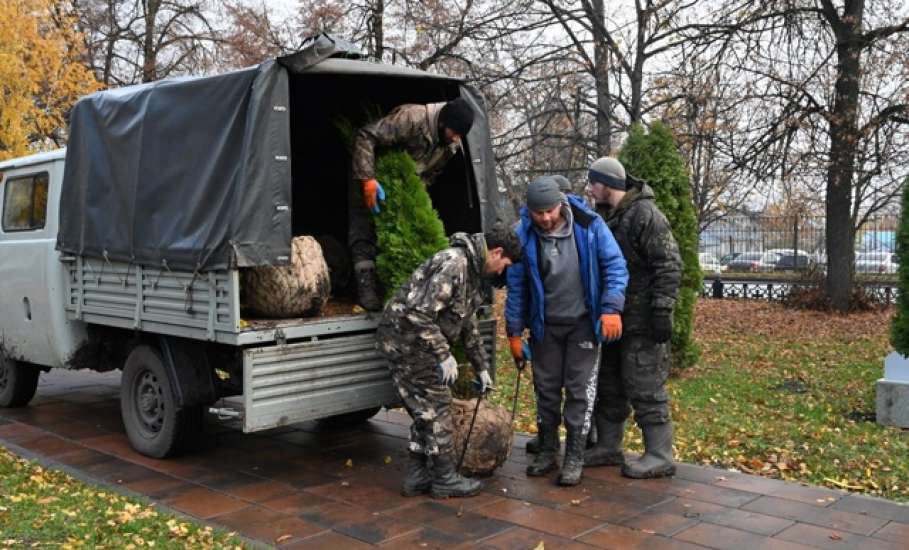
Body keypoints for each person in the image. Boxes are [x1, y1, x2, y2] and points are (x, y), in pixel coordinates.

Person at [376, 226, 522, 498]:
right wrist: (444, 354)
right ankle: (445, 478)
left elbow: (467, 324)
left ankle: (417, 475)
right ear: (496, 252)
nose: (502, 271)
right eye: (505, 264)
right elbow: (418, 313)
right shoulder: (455, 264)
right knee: (438, 406)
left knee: (425, 411)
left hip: (416, 342)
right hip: (406, 341)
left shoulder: (473, 273)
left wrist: (481, 366)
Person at [505, 176, 628, 486]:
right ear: (529, 211)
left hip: (584, 324)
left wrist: (611, 308)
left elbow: (615, 266)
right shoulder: (523, 235)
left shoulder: (590, 226)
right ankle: (547, 449)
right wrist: (514, 333)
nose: (545, 218)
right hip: (545, 327)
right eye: (538, 213)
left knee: (579, 391)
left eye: (550, 211)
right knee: (545, 390)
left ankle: (574, 454)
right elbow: (517, 287)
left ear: (560, 204)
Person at [583, 157, 682, 479]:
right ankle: (609, 447)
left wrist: (662, 309)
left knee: (645, 385)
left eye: (593, 182)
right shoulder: (605, 215)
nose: (589, 188)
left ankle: (659, 454)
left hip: (641, 321)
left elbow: (668, 264)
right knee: (609, 384)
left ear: (607, 184)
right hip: (612, 319)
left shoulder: (645, 215)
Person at [350, 98, 476, 311]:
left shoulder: (450, 145)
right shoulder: (413, 119)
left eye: (460, 135)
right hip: (371, 174)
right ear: (443, 122)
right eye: (454, 132)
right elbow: (366, 135)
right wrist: (367, 179)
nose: (456, 138)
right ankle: (366, 284)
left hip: (402, 186)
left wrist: (413, 196)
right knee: (364, 227)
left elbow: (431, 173)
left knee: (395, 234)